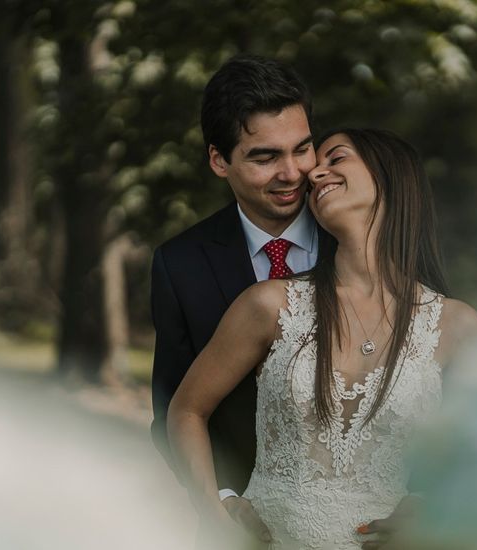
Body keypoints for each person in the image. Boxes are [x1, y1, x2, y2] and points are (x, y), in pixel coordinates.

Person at [168, 128, 477, 549]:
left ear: (391, 176)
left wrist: (433, 509)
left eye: (335, 159)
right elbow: (187, 410)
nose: (315, 175)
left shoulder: (457, 325)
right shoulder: (269, 305)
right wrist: (214, 511)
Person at [149, 53, 319, 535]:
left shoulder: (368, 240)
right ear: (219, 160)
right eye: (265, 157)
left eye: (302, 149)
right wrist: (220, 501)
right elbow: (172, 409)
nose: (292, 173)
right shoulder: (179, 264)